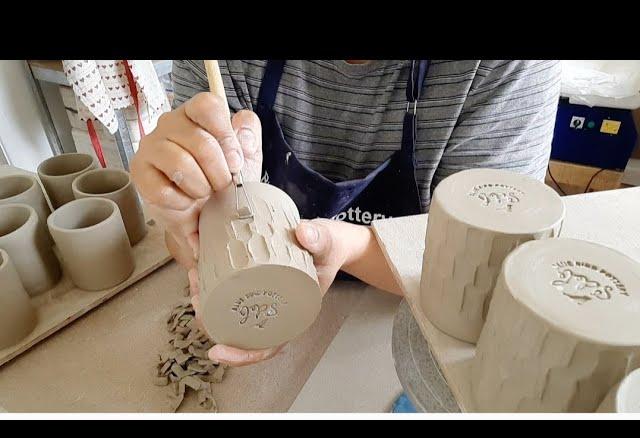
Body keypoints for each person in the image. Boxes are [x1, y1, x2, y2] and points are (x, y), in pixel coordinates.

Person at [131, 60, 561, 368]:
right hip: (283, 302)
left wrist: (351, 246)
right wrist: (181, 208)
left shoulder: (506, 68)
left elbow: (483, 269)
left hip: (414, 315)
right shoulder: (219, 67)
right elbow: (196, 230)